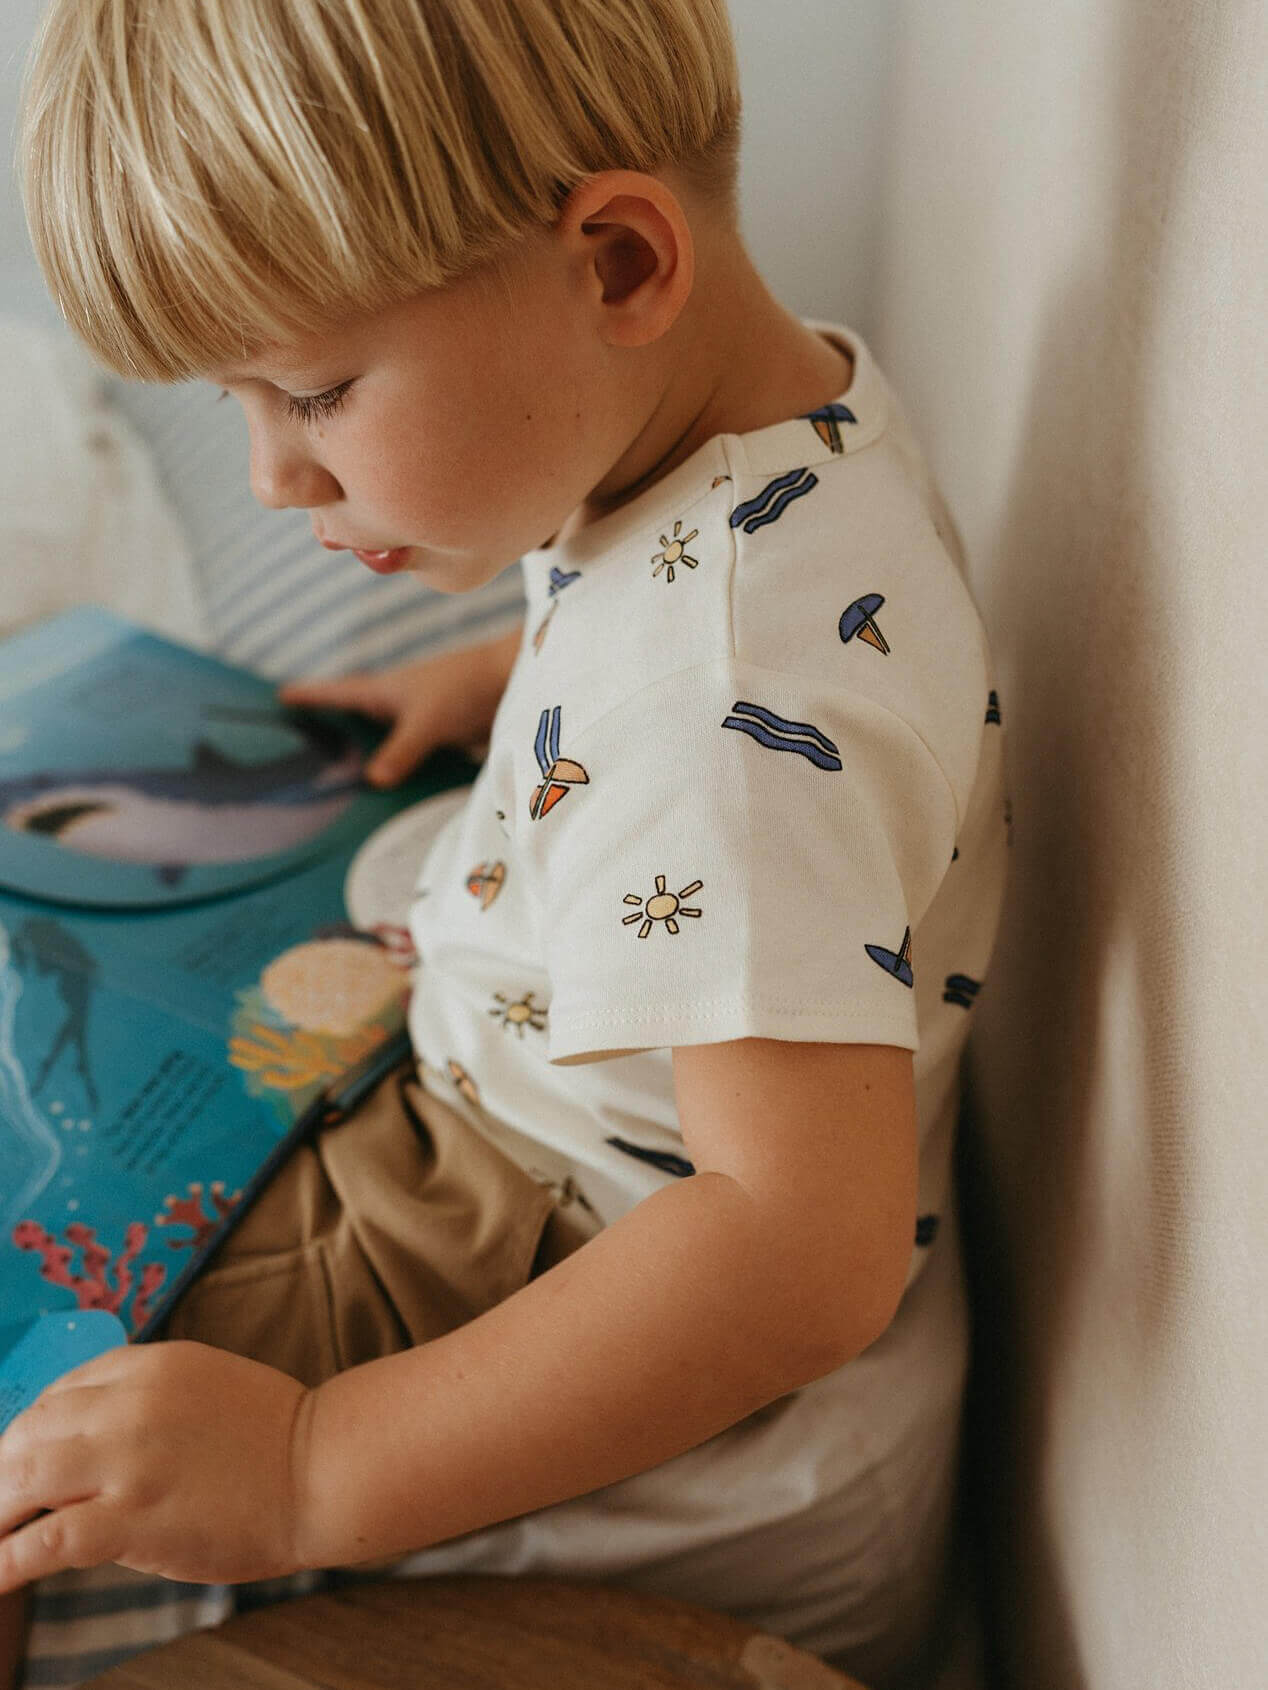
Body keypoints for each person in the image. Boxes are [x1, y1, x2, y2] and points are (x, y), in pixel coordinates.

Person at [1, 2, 1010, 1687]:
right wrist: (504, 681)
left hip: (612, 1370)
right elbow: (683, 658)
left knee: (49, 1446)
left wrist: (306, 1462)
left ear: (618, 265)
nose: (266, 473)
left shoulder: (719, 700)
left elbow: (796, 1251)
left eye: (312, 388)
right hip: (499, 1147)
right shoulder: (735, 436)